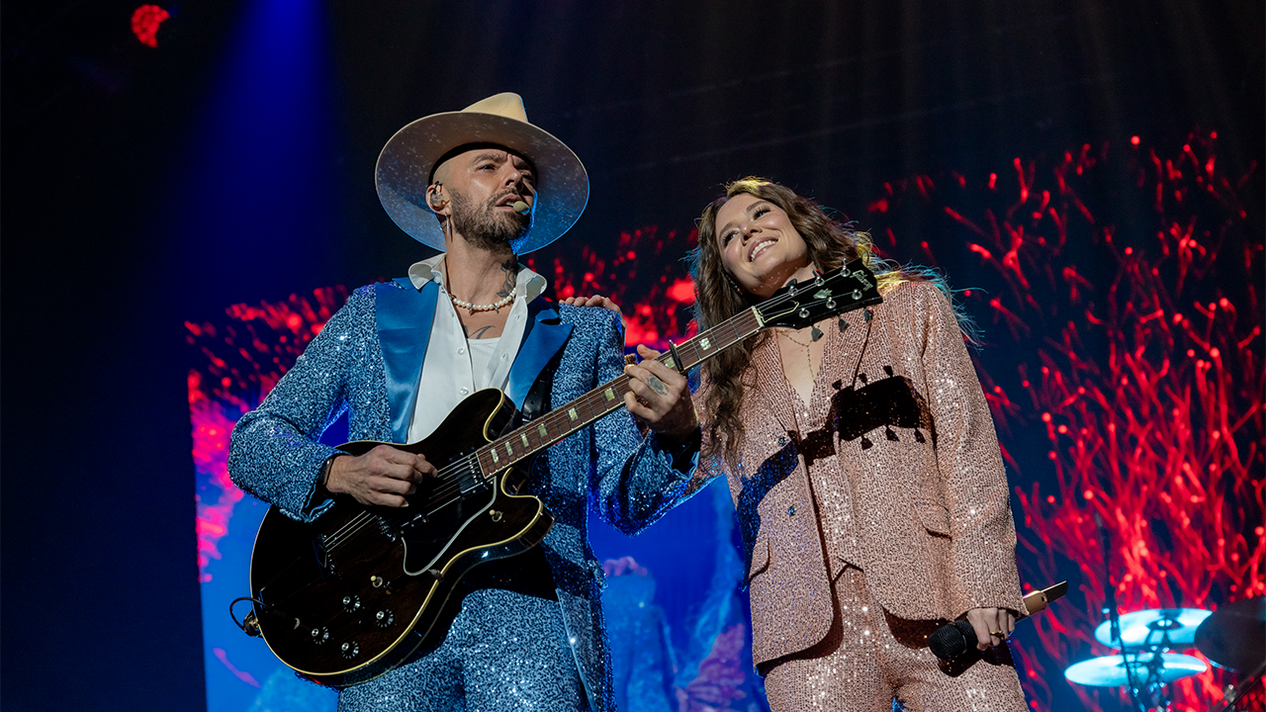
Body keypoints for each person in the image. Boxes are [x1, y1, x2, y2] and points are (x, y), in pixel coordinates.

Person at [228, 93, 699, 712]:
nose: (515, 178)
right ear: (438, 196)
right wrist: (339, 471)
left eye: (524, 174)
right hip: (385, 615)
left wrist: (676, 435)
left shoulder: (584, 332)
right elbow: (252, 442)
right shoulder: (373, 315)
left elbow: (626, 502)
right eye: (490, 165)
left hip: (531, 606)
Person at [681, 177, 1029, 711]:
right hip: (804, 637)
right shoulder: (728, 378)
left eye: (760, 213)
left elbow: (968, 450)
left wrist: (985, 586)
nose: (747, 231)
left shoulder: (908, 308)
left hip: (942, 602)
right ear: (726, 273)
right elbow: (647, 490)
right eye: (728, 237)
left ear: (798, 219)